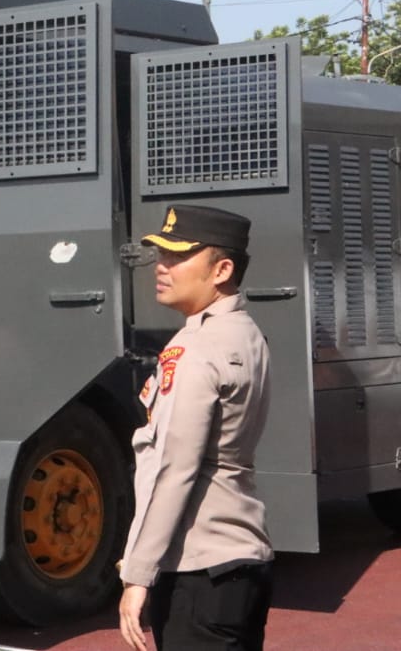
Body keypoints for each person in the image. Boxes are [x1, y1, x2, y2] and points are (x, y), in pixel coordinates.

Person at [118, 204, 274, 651]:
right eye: (160, 255)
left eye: (178, 256)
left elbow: (173, 468)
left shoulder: (195, 348)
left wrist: (137, 573)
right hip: (244, 559)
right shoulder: (248, 334)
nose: (161, 267)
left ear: (222, 269)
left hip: (198, 569)